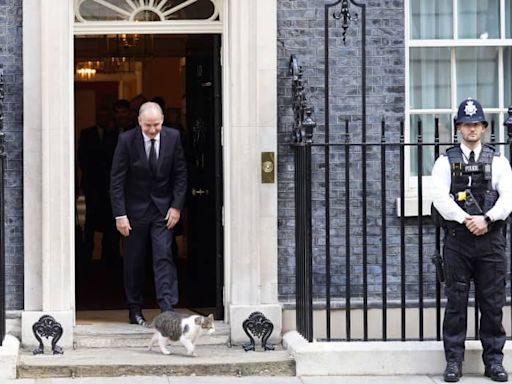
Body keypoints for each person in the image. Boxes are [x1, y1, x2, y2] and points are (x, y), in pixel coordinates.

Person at [432, 97, 512, 382]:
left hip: (490, 241)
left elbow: (508, 198)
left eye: (476, 124)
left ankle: (494, 362)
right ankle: (453, 362)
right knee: (455, 304)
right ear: (458, 128)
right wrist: (466, 219)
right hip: (458, 240)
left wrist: (486, 219)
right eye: (466, 125)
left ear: (484, 127)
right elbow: (440, 197)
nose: (471, 129)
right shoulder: (444, 162)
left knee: (491, 304)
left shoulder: (499, 161)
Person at [110, 101, 187, 325]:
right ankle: (134, 309)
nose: (152, 130)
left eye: (156, 125)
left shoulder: (173, 137)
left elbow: (180, 174)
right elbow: (117, 179)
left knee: (164, 256)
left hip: (163, 210)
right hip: (134, 212)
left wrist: (176, 206)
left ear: (162, 120)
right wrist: (120, 214)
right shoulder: (126, 140)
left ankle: (167, 308)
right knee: (134, 261)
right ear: (139, 122)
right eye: (148, 126)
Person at [77, 104, 119, 264]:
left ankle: (109, 255)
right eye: (100, 115)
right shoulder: (87, 133)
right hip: (92, 183)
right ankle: (86, 254)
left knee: (110, 220)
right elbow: (82, 157)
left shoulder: (114, 134)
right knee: (90, 219)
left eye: (105, 115)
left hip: (109, 185)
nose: (103, 118)